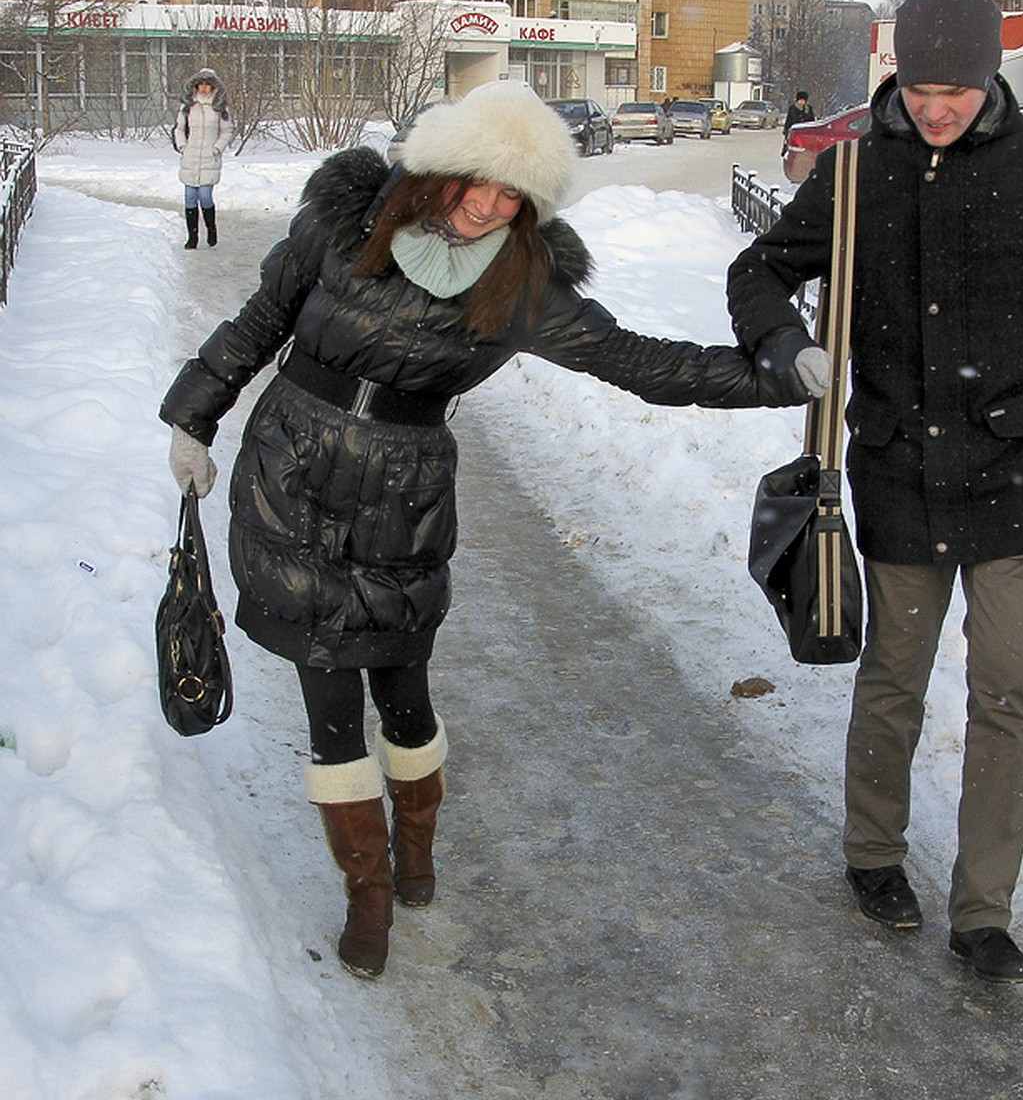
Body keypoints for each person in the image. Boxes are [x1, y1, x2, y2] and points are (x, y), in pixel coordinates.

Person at [160, 81, 817, 979]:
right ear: (440, 167)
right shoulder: (345, 220)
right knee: (326, 686)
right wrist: (194, 417)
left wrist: (779, 375)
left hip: (404, 493)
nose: (487, 204)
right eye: (477, 180)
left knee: (402, 679)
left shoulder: (523, 284)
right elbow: (258, 321)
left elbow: (637, 363)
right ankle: (370, 891)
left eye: (512, 195)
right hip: (293, 472)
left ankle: (417, 850)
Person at [727, 0, 1023, 983]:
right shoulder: (856, 173)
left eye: (958, 88)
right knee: (893, 678)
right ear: (900, 77)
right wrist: (784, 344)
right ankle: (873, 855)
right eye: (922, 86)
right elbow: (759, 270)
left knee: (1006, 698)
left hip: (1021, 484)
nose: (938, 108)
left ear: (989, 80)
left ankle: (983, 911)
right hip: (900, 472)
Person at [173, 67, 233, 249]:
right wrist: (183, 146)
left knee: (205, 196)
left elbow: (227, 131)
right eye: (201, 84)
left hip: (209, 158)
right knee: (190, 198)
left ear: (214, 86)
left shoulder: (220, 107)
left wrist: (217, 148)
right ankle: (192, 238)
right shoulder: (188, 106)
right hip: (190, 158)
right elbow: (179, 128)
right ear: (196, 85)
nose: (204, 88)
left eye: (208, 84)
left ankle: (211, 229)